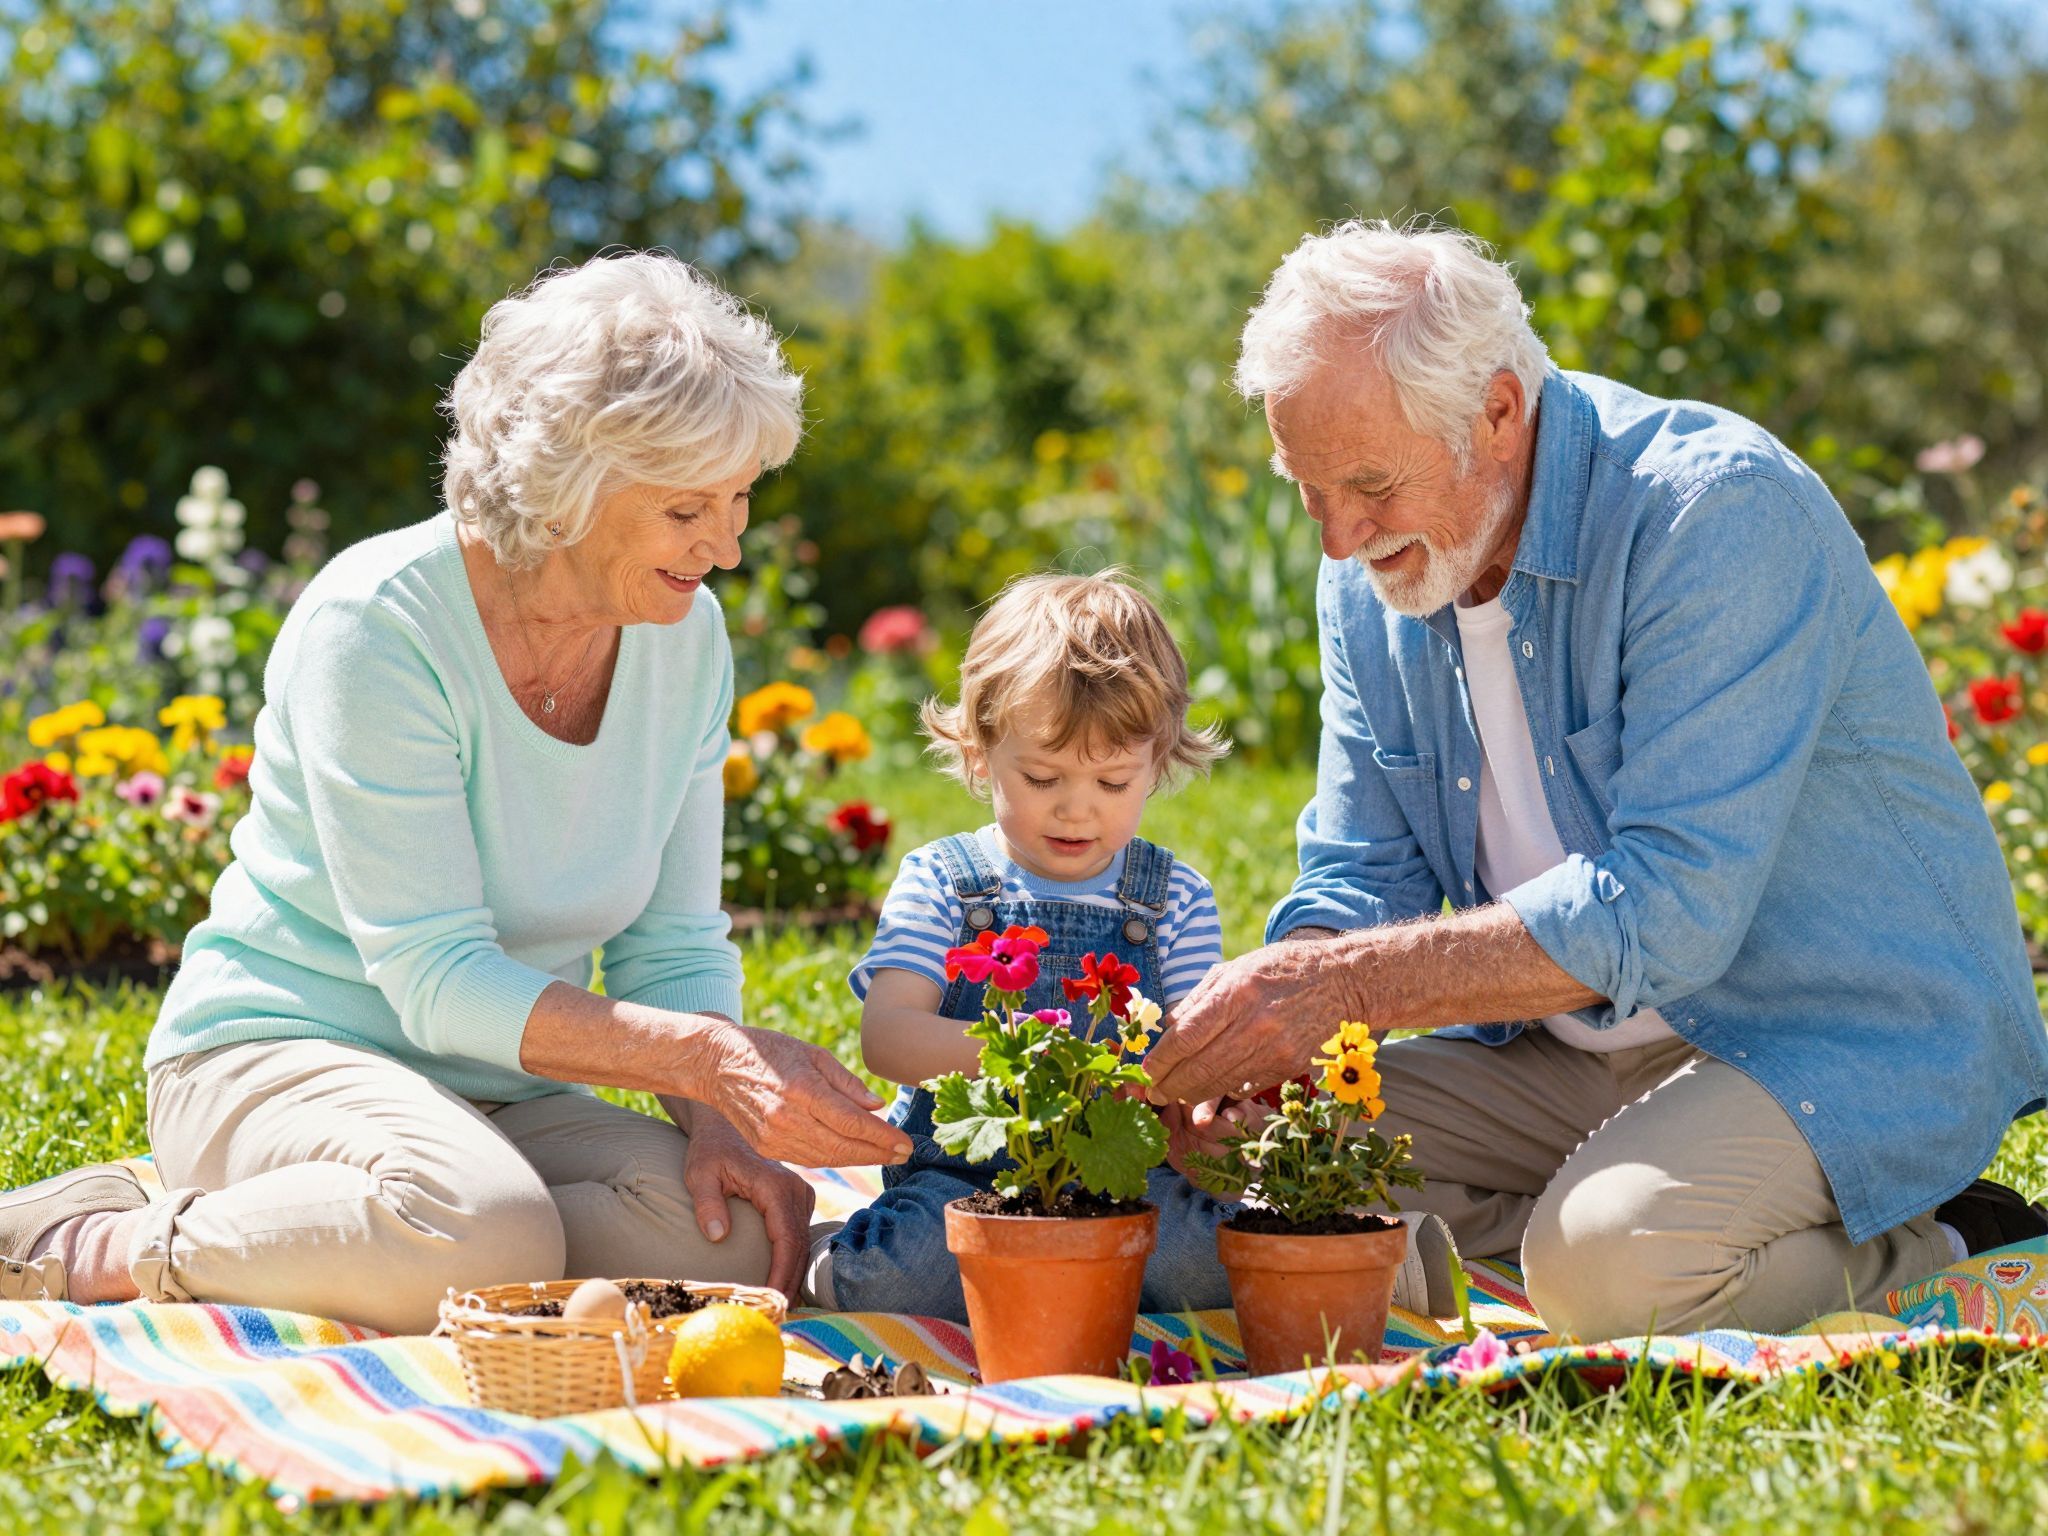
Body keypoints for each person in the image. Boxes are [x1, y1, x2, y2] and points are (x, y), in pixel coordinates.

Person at [1144, 219, 2048, 1340]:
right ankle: (1626, 1219)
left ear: (1497, 412)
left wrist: (1339, 989)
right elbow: (1359, 870)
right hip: (1568, 1053)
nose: (1337, 539)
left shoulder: (1712, 511)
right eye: (1308, 488)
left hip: (1822, 1032)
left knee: (1608, 1274)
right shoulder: (1371, 582)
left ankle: (1945, 1239)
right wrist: (1274, 1047)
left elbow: (1668, 912)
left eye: (1368, 483)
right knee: (1260, 1155)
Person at [0, 252, 910, 1333]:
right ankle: (92, 1239)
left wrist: (717, 1122)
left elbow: (672, 946)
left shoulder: (685, 639)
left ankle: (384, 1227)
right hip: (280, 1053)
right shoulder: (375, 623)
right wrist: (713, 1060)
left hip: (503, 1091)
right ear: (568, 488)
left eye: (740, 498)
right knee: (482, 1231)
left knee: (735, 1236)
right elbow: (435, 976)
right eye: (686, 510)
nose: (727, 546)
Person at [809, 572, 1235, 1320]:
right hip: (967, 1178)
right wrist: (1031, 1055)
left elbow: (1199, 1054)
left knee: (1207, 1268)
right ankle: (819, 1257)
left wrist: (1209, 1111)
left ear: (1159, 761)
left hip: (1123, 1175)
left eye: (1113, 782)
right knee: (894, 1282)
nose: (1076, 809)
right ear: (980, 753)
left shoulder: (1174, 898)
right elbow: (888, 1036)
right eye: (1042, 777)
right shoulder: (945, 880)